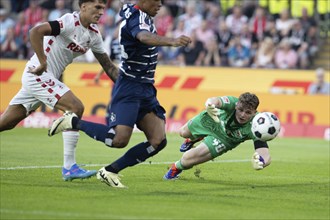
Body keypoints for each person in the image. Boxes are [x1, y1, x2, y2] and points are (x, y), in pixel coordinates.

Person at [48, 0, 191, 188]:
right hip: (130, 85)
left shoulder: (143, 15)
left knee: (158, 140)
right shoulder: (136, 17)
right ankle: (73, 122)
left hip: (145, 86)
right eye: (156, 1)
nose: (160, 5)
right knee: (118, 140)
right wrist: (171, 41)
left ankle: (110, 171)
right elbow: (143, 36)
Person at [0, 0, 119, 181]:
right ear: (83, 6)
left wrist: (129, 87)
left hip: (46, 79)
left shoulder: (94, 35)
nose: (102, 12)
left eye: (103, 8)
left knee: (6, 123)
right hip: (38, 74)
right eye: (97, 7)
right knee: (75, 107)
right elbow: (35, 32)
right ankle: (69, 167)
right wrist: (42, 61)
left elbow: (109, 67)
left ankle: (70, 168)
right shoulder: (69, 22)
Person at [163, 92, 272, 180]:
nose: (242, 115)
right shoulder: (232, 102)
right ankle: (193, 138)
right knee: (182, 132)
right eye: (240, 110)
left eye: (248, 112)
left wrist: (262, 162)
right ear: (237, 105)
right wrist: (209, 106)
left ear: (254, 112)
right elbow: (214, 100)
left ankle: (176, 168)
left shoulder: (256, 125)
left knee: (187, 159)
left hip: (224, 139)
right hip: (214, 120)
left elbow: (265, 154)